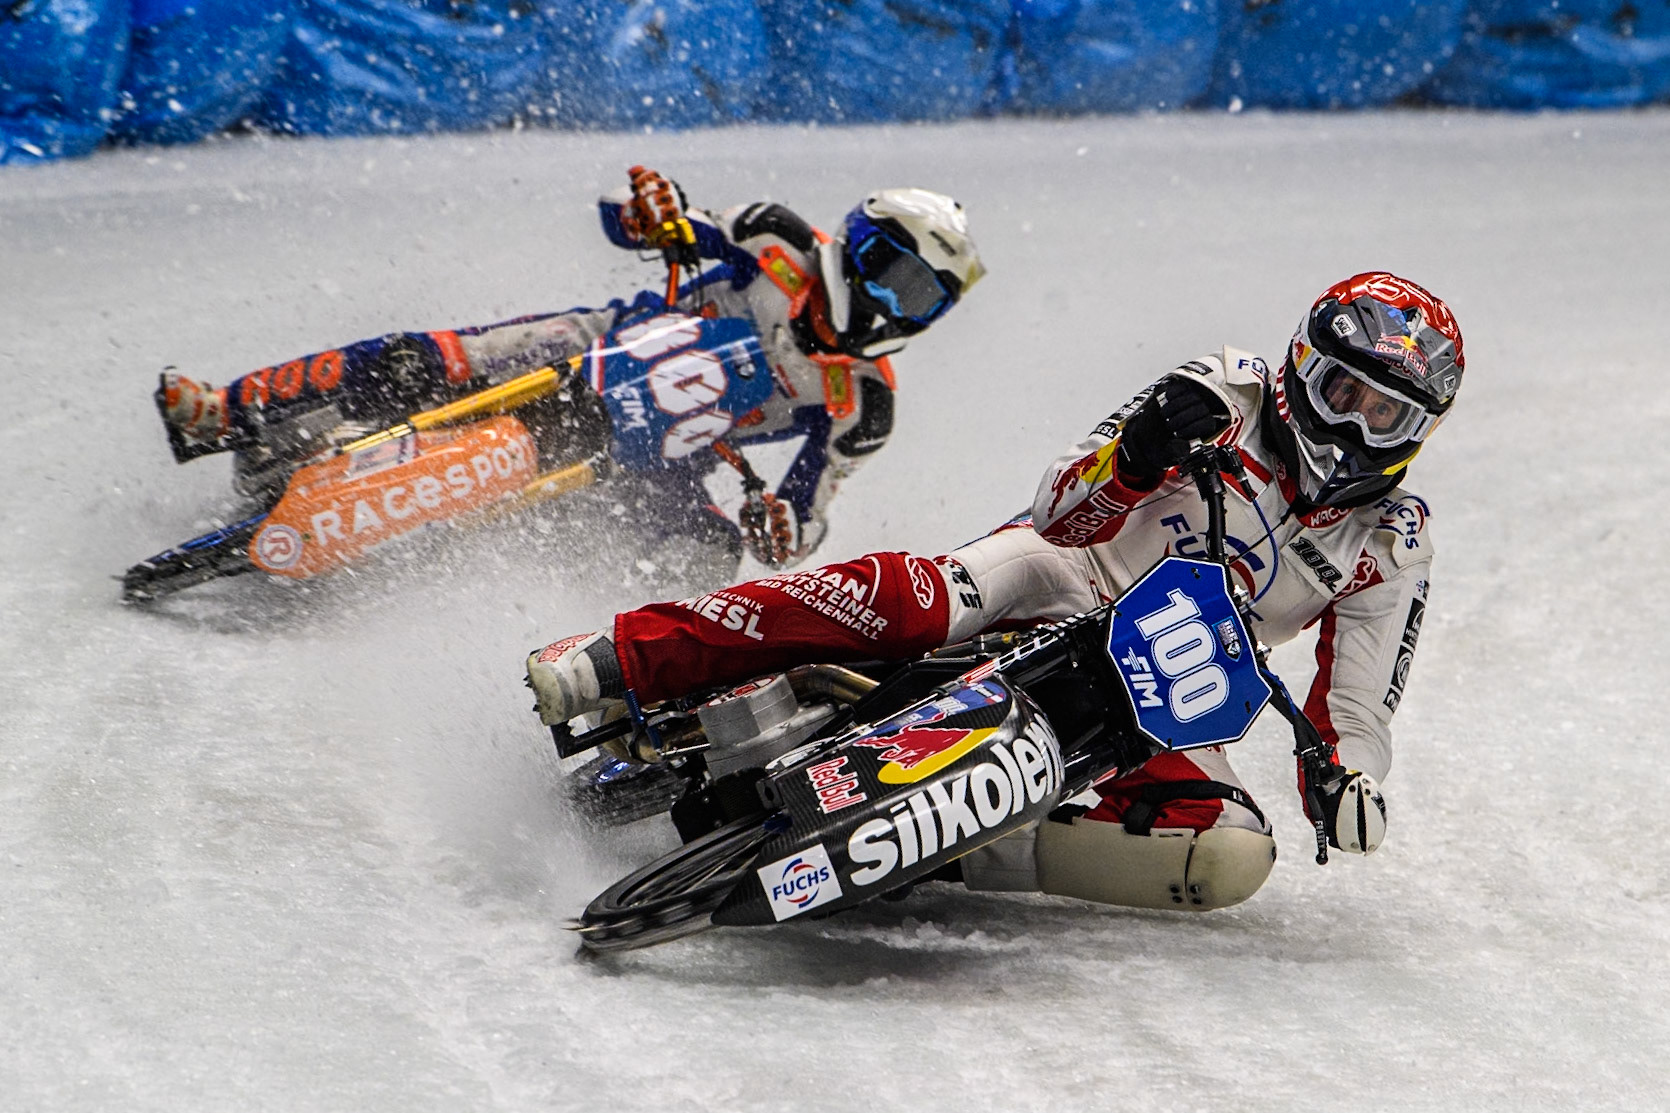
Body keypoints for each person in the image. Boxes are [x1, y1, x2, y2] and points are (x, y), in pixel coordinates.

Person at [526, 271, 1464, 913]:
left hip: (1163, 695)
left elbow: (1358, 706)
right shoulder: (1225, 389)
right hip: (1065, 574)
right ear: (1305, 365)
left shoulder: (1393, 536)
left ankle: (953, 849)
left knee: (1228, 854)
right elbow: (1061, 502)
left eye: (1389, 416)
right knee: (923, 598)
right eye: (1345, 393)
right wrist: (1135, 456)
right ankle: (622, 656)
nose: (1355, 430)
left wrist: (1350, 779)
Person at [153, 167, 985, 569]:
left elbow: (811, 511)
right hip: (602, 342)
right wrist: (651, 211)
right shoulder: (777, 238)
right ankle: (226, 410)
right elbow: (644, 225)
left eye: (917, 297)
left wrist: (783, 530)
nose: (887, 302)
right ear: (856, 243)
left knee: (706, 553)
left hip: (668, 450)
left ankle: (532, 633)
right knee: (427, 359)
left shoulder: (862, 404)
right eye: (888, 271)